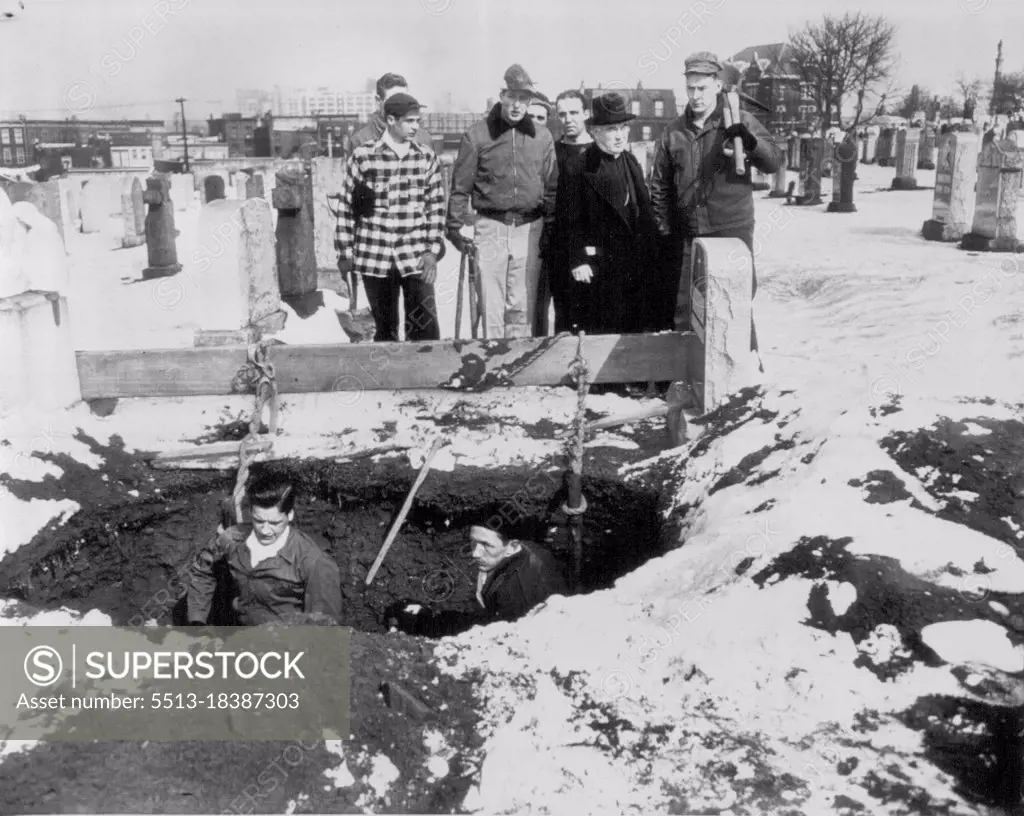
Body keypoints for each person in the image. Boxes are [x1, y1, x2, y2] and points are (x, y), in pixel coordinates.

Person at [649, 51, 783, 348]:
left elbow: (774, 162)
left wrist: (751, 142)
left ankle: (745, 374)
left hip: (731, 228)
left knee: (734, 302)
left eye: (703, 88)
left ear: (718, 86)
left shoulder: (739, 120)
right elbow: (658, 186)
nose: (695, 96)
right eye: (690, 88)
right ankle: (689, 375)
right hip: (689, 233)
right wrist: (664, 230)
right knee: (688, 305)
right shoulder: (672, 133)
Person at [446, 63, 558, 339]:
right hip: (491, 227)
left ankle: (517, 366)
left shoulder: (542, 137)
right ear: (502, 95)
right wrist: (455, 226)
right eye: (512, 97)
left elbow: (552, 187)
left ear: (530, 101)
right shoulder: (477, 135)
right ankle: (492, 366)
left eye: (523, 99)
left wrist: (551, 226)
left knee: (522, 302)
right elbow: (460, 187)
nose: (517, 105)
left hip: (530, 227)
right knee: (490, 302)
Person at [335, 92, 446, 342]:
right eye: (410, 121)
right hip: (375, 256)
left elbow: (436, 207)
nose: (416, 127)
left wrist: (431, 251)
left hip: (415, 257)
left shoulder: (426, 158)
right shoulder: (364, 157)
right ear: (391, 120)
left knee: (424, 327)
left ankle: (423, 377)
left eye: (418, 120)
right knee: (384, 331)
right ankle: (388, 380)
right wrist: (345, 253)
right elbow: (346, 207)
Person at [558, 92, 658, 334]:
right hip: (598, 267)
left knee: (633, 334)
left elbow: (643, 211)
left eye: (624, 127)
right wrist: (577, 259)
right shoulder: (578, 168)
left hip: (632, 265)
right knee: (600, 334)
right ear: (595, 132)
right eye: (612, 129)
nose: (620, 135)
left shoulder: (631, 161)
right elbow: (567, 221)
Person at [186, 473, 343, 626]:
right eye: (258, 521)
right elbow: (203, 572)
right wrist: (197, 619)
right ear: (251, 513)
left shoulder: (313, 562)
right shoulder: (232, 539)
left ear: (290, 515)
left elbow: (323, 625)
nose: (265, 530)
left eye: (274, 523)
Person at [386, 525, 570, 637]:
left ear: (512, 545)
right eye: (473, 542)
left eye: (486, 545)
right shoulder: (525, 551)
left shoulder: (514, 592)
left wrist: (424, 622)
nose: (475, 553)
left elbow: (483, 634)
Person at [539, 89, 595, 335]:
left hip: (590, 246)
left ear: (586, 113)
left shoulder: (597, 152)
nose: (568, 119)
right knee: (560, 313)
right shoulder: (551, 153)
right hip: (556, 243)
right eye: (562, 114)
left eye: (574, 112)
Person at [353, 72, 435, 149]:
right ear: (378, 101)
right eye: (394, 101)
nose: (402, 107)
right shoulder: (360, 140)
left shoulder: (424, 138)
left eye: (405, 100)